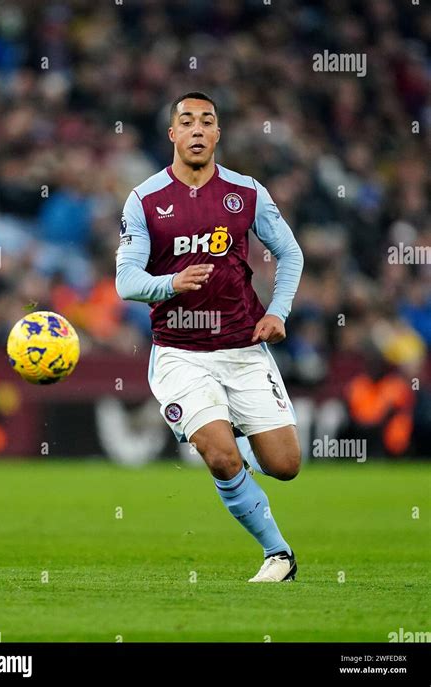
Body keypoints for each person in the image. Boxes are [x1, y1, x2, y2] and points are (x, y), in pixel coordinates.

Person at [116, 92, 304, 582]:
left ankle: (229, 439)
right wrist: (169, 284)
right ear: (172, 135)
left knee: (285, 465)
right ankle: (278, 554)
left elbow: (292, 254)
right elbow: (126, 281)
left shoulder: (247, 193)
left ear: (218, 134)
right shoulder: (145, 200)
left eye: (207, 122)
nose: (197, 129)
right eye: (186, 121)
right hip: (180, 353)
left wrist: (278, 311)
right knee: (220, 456)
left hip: (243, 348)